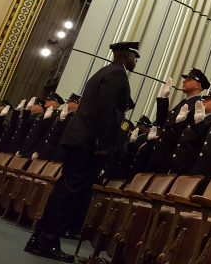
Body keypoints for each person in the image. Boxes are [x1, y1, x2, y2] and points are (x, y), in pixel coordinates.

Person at [24, 41, 138, 262]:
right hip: (88, 143)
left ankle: (39, 238)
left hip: (78, 139)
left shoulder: (103, 72)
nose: (135, 61)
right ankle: (48, 241)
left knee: (62, 189)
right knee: (70, 193)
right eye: (134, 56)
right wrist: (103, 144)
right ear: (125, 55)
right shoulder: (117, 75)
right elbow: (104, 112)